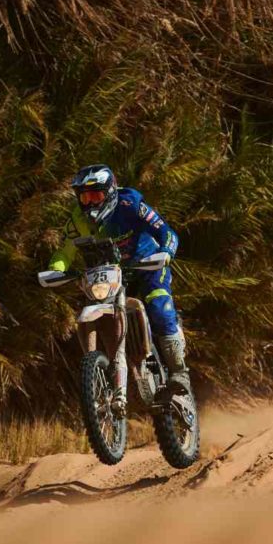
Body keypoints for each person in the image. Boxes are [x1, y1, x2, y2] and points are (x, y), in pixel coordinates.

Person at [47, 164, 190, 395]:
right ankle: (111, 374)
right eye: (84, 197)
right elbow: (65, 251)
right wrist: (56, 269)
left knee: (159, 306)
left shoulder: (130, 204)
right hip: (112, 274)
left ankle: (178, 372)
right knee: (104, 315)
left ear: (111, 191)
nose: (91, 203)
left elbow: (166, 231)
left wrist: (165, 252)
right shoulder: (78, 220)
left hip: (148, 265)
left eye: (96, 195)